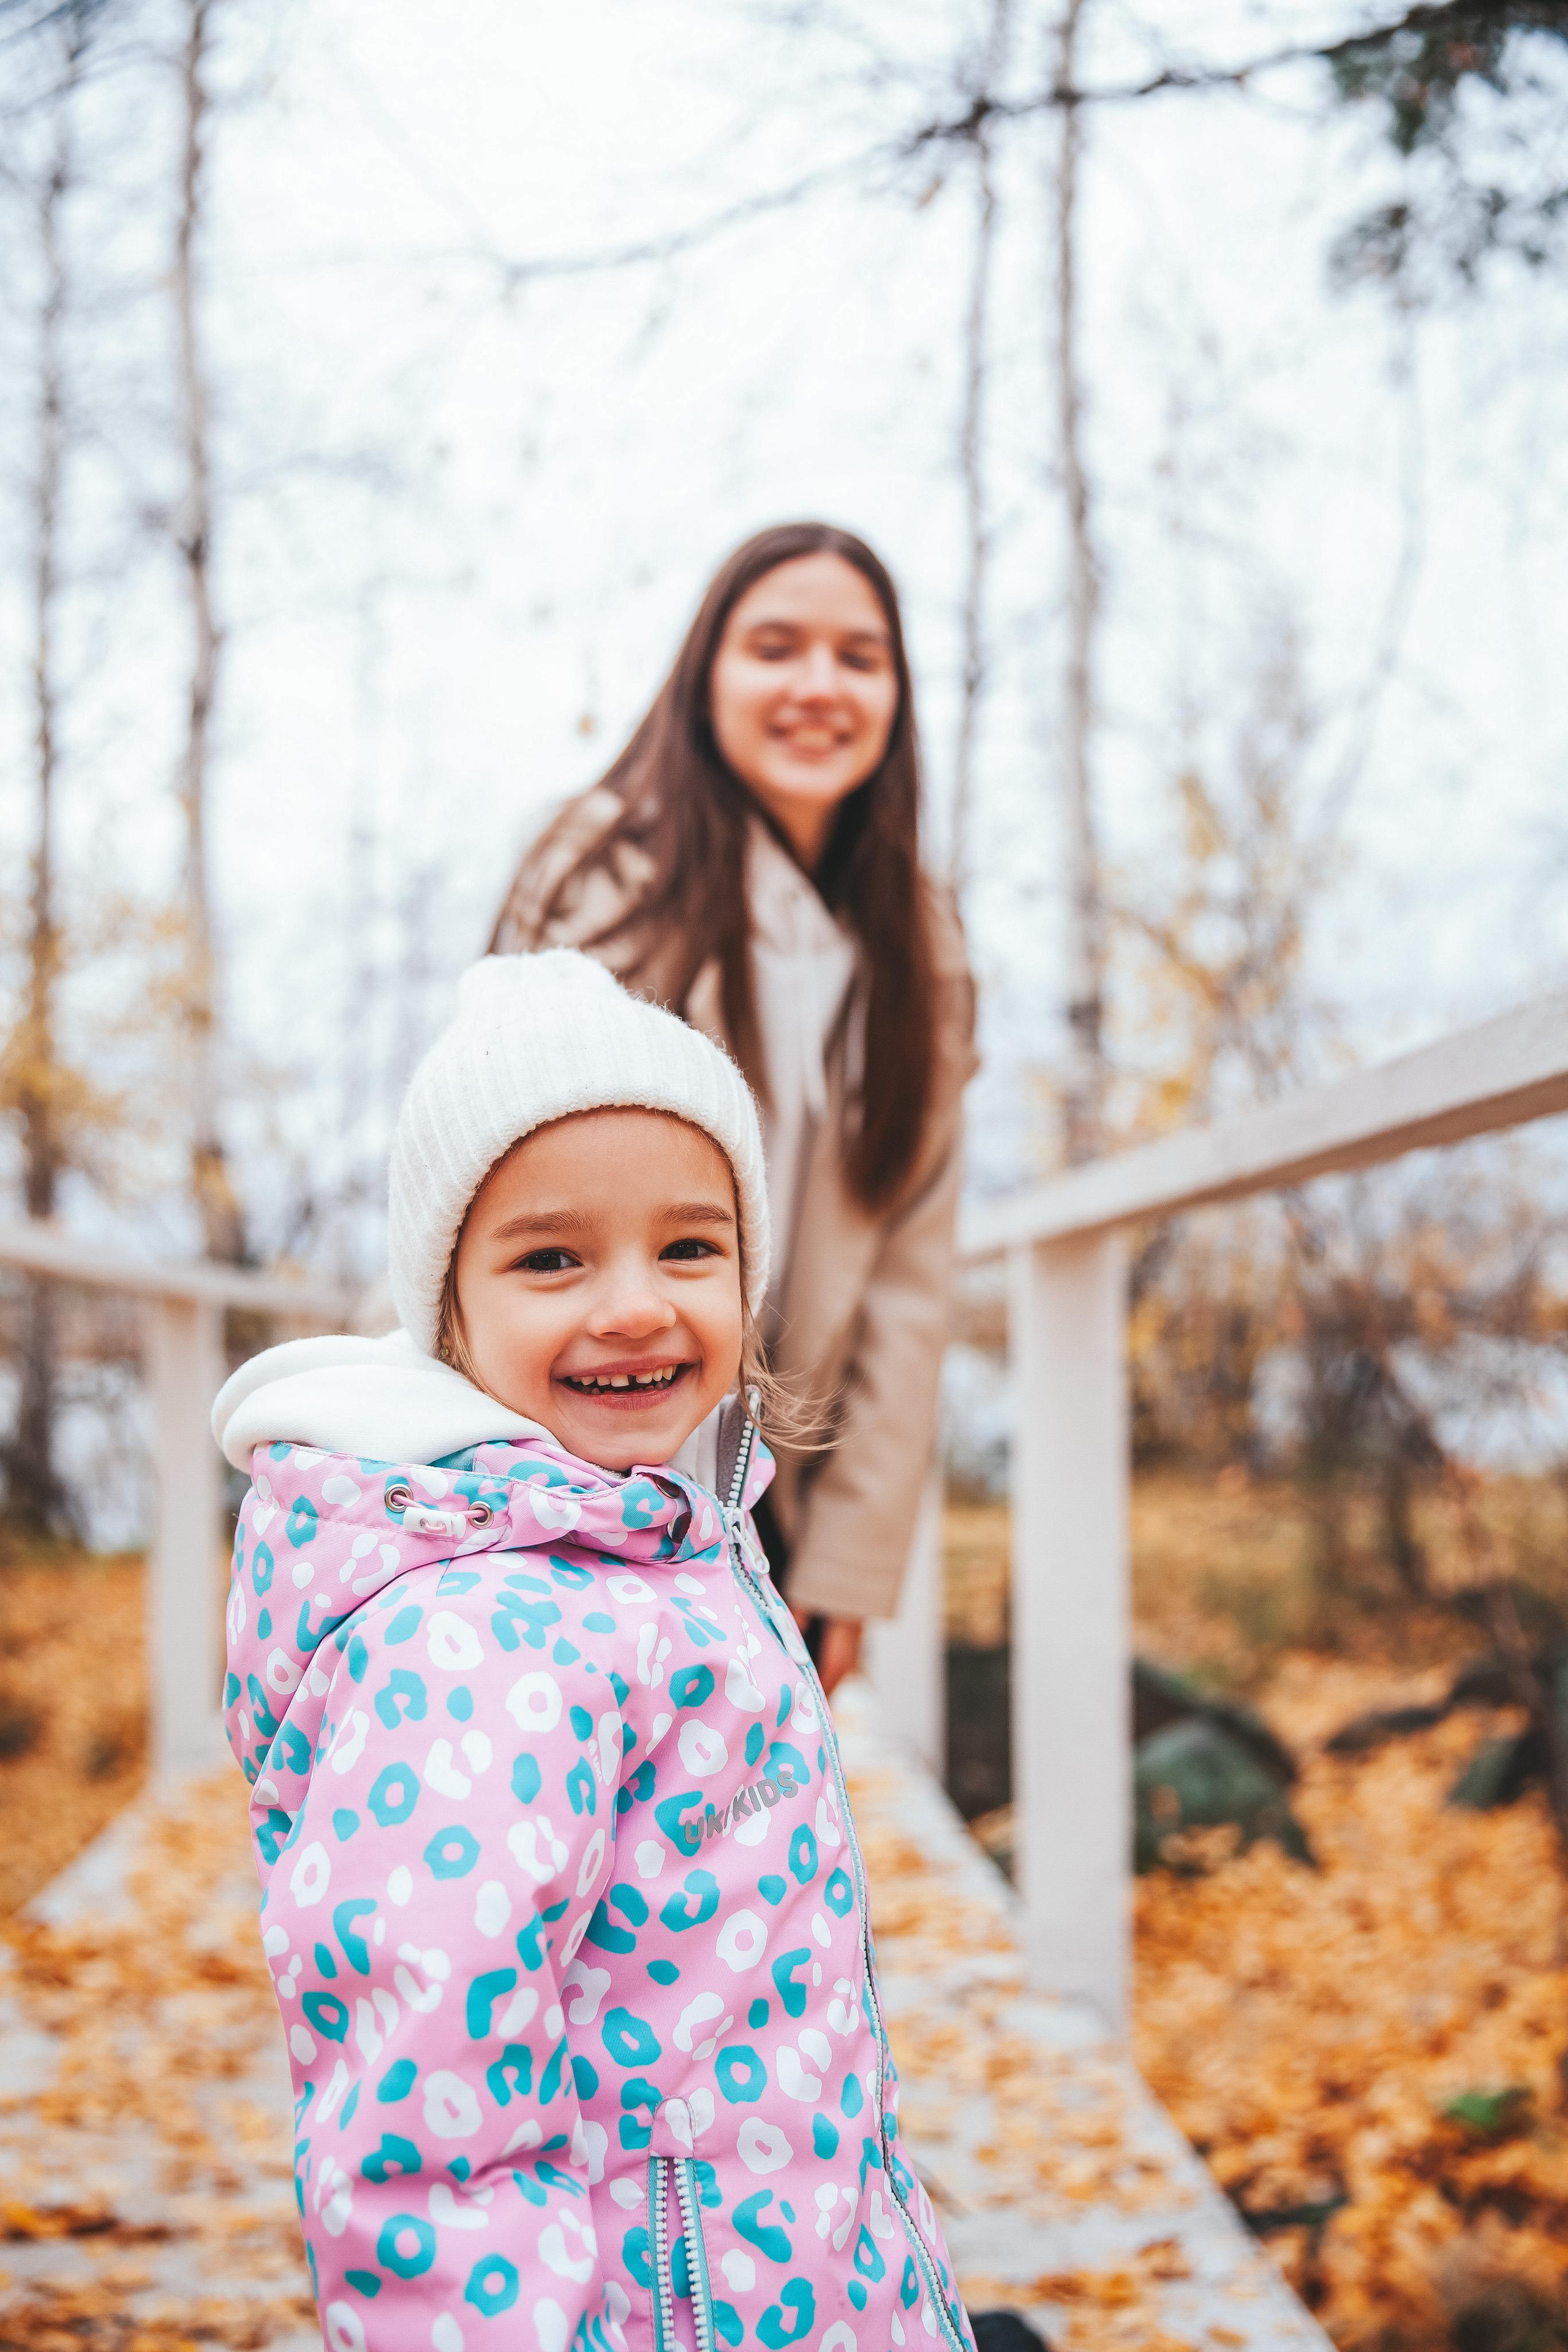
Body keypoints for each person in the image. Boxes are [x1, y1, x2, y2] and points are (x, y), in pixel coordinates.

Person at [213, 951, 975, 2352]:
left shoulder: (666, 1542)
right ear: (448, 1306)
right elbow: (425, 2139)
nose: (631, 1304)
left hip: (799, 2265)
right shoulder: (470, 1641)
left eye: (688, 1247)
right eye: (551, 1258)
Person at [491, 523, 976, 1695]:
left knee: (731, 1847)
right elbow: (483, 1181)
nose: (819, 685)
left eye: (860, 658)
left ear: (898, 696)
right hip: (556, 1458)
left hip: (771, 1495)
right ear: (706, 675)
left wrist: (853, 1562)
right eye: (776, 647)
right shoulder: (595, 871)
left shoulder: (924, 947)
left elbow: (911, 1278)